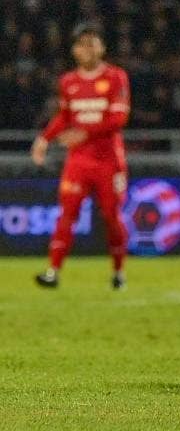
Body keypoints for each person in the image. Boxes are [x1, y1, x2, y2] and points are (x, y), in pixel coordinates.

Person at [31, 24, 131, 290]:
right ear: (74, 50)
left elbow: (118, 118)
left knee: (111, 215)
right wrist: (44, 139)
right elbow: (64, 117)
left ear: (102, 47)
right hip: (78, 161)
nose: (87, 48)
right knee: (67, 213)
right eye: (82, 44)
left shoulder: (116, 77)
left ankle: (119, 271)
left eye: (92, 43)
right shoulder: (68, 82)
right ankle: (53, 271)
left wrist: (83, 134)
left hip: (109, 160)